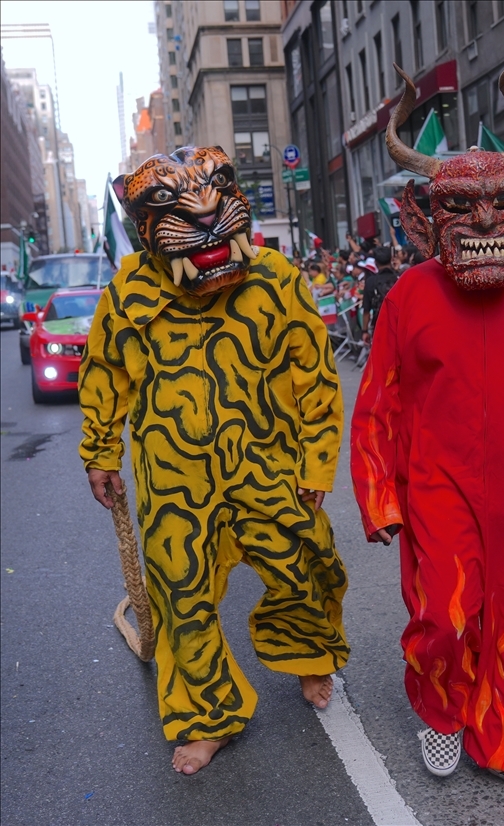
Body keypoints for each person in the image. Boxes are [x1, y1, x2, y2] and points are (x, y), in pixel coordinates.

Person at [350, 65, 504, 804]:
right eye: (463, 205)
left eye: (499, 203)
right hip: (438, 483)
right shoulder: (408, 297)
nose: (486, 222)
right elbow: (378, 404)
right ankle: (443, 712)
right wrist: (380, 496)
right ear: (429, 216)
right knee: (444, 614)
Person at [80, 146, 349, 774]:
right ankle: (208, 718)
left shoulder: (277, 278)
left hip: (268, 468)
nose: (204, 221)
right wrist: (99, 453)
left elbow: (315, 374)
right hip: (174, 480)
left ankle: (309, 654)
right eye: (178, 213)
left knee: (309, 564)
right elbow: (104, 377)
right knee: (183, 597)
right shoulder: (128, 294)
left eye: (216, 201)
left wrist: (315, 464)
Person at [361, 247, 399, 342]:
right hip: (399, 325)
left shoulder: (370, 281)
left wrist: (365, 331)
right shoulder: (400, 278)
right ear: (391, 259)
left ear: (375, 262)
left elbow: (366, 310)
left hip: (379, 326)